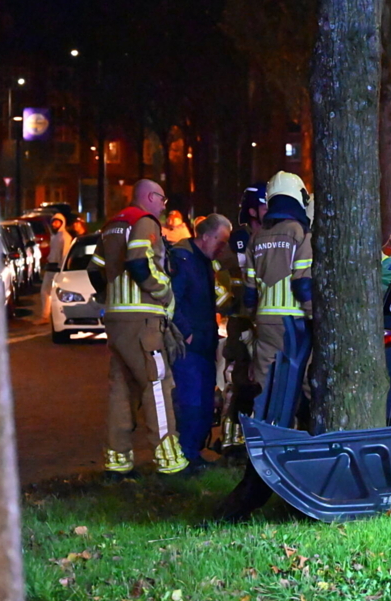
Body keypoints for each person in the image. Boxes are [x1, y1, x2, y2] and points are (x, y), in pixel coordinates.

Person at [87, 179, 188, 476]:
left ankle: (117, 459)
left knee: (121, 388)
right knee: (157, 383)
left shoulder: (111, 226)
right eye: (162, 199)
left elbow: (95, 268)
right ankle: (169, 459)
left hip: (117, 320)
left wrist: (110, 296)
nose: (164, 206)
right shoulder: (144, 222)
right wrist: (162, 291)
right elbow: (137, 261)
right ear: (149, 197)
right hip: (143, 319)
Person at [168, 214, 232, 470]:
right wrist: (187, 332)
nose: (222, 248)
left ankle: (194, 453)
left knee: (205, 401)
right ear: (205, 236)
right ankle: (186, 456)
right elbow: (173, 299)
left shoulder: (205, 261)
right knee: (192, 402)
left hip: (205, 341)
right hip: (191, 345)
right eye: (220, 241)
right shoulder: (183, 259)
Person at [245, 172, 314, 392]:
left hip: (264, 323)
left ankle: (269, 425)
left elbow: (249, 291)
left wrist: (251, 320)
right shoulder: (300, 232)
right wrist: (315, 316)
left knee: (268, 389)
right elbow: (303, 284)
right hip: (295, 323)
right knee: (301, 383)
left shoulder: (256, 237)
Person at [218, 183, 267, 458]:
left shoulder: (273, 238)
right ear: (252, 210)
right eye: (264, 205)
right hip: (242, 322)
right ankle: (231, 439)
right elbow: (218, 275)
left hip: (266, 321)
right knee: (239, 379)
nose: (270, 211)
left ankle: (256, 437)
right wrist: (232, 305)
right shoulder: (238, 241)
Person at [39, 212, 72, 323]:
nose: (54, 224)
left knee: (52, 292)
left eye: (57, 222)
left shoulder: (65, 237)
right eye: (53, 222)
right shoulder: (55, 236)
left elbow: (65, 253)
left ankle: (50, 316)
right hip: (51, 266)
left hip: (58, 268)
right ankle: (46, 316)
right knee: (46, 291)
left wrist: (62, 267)